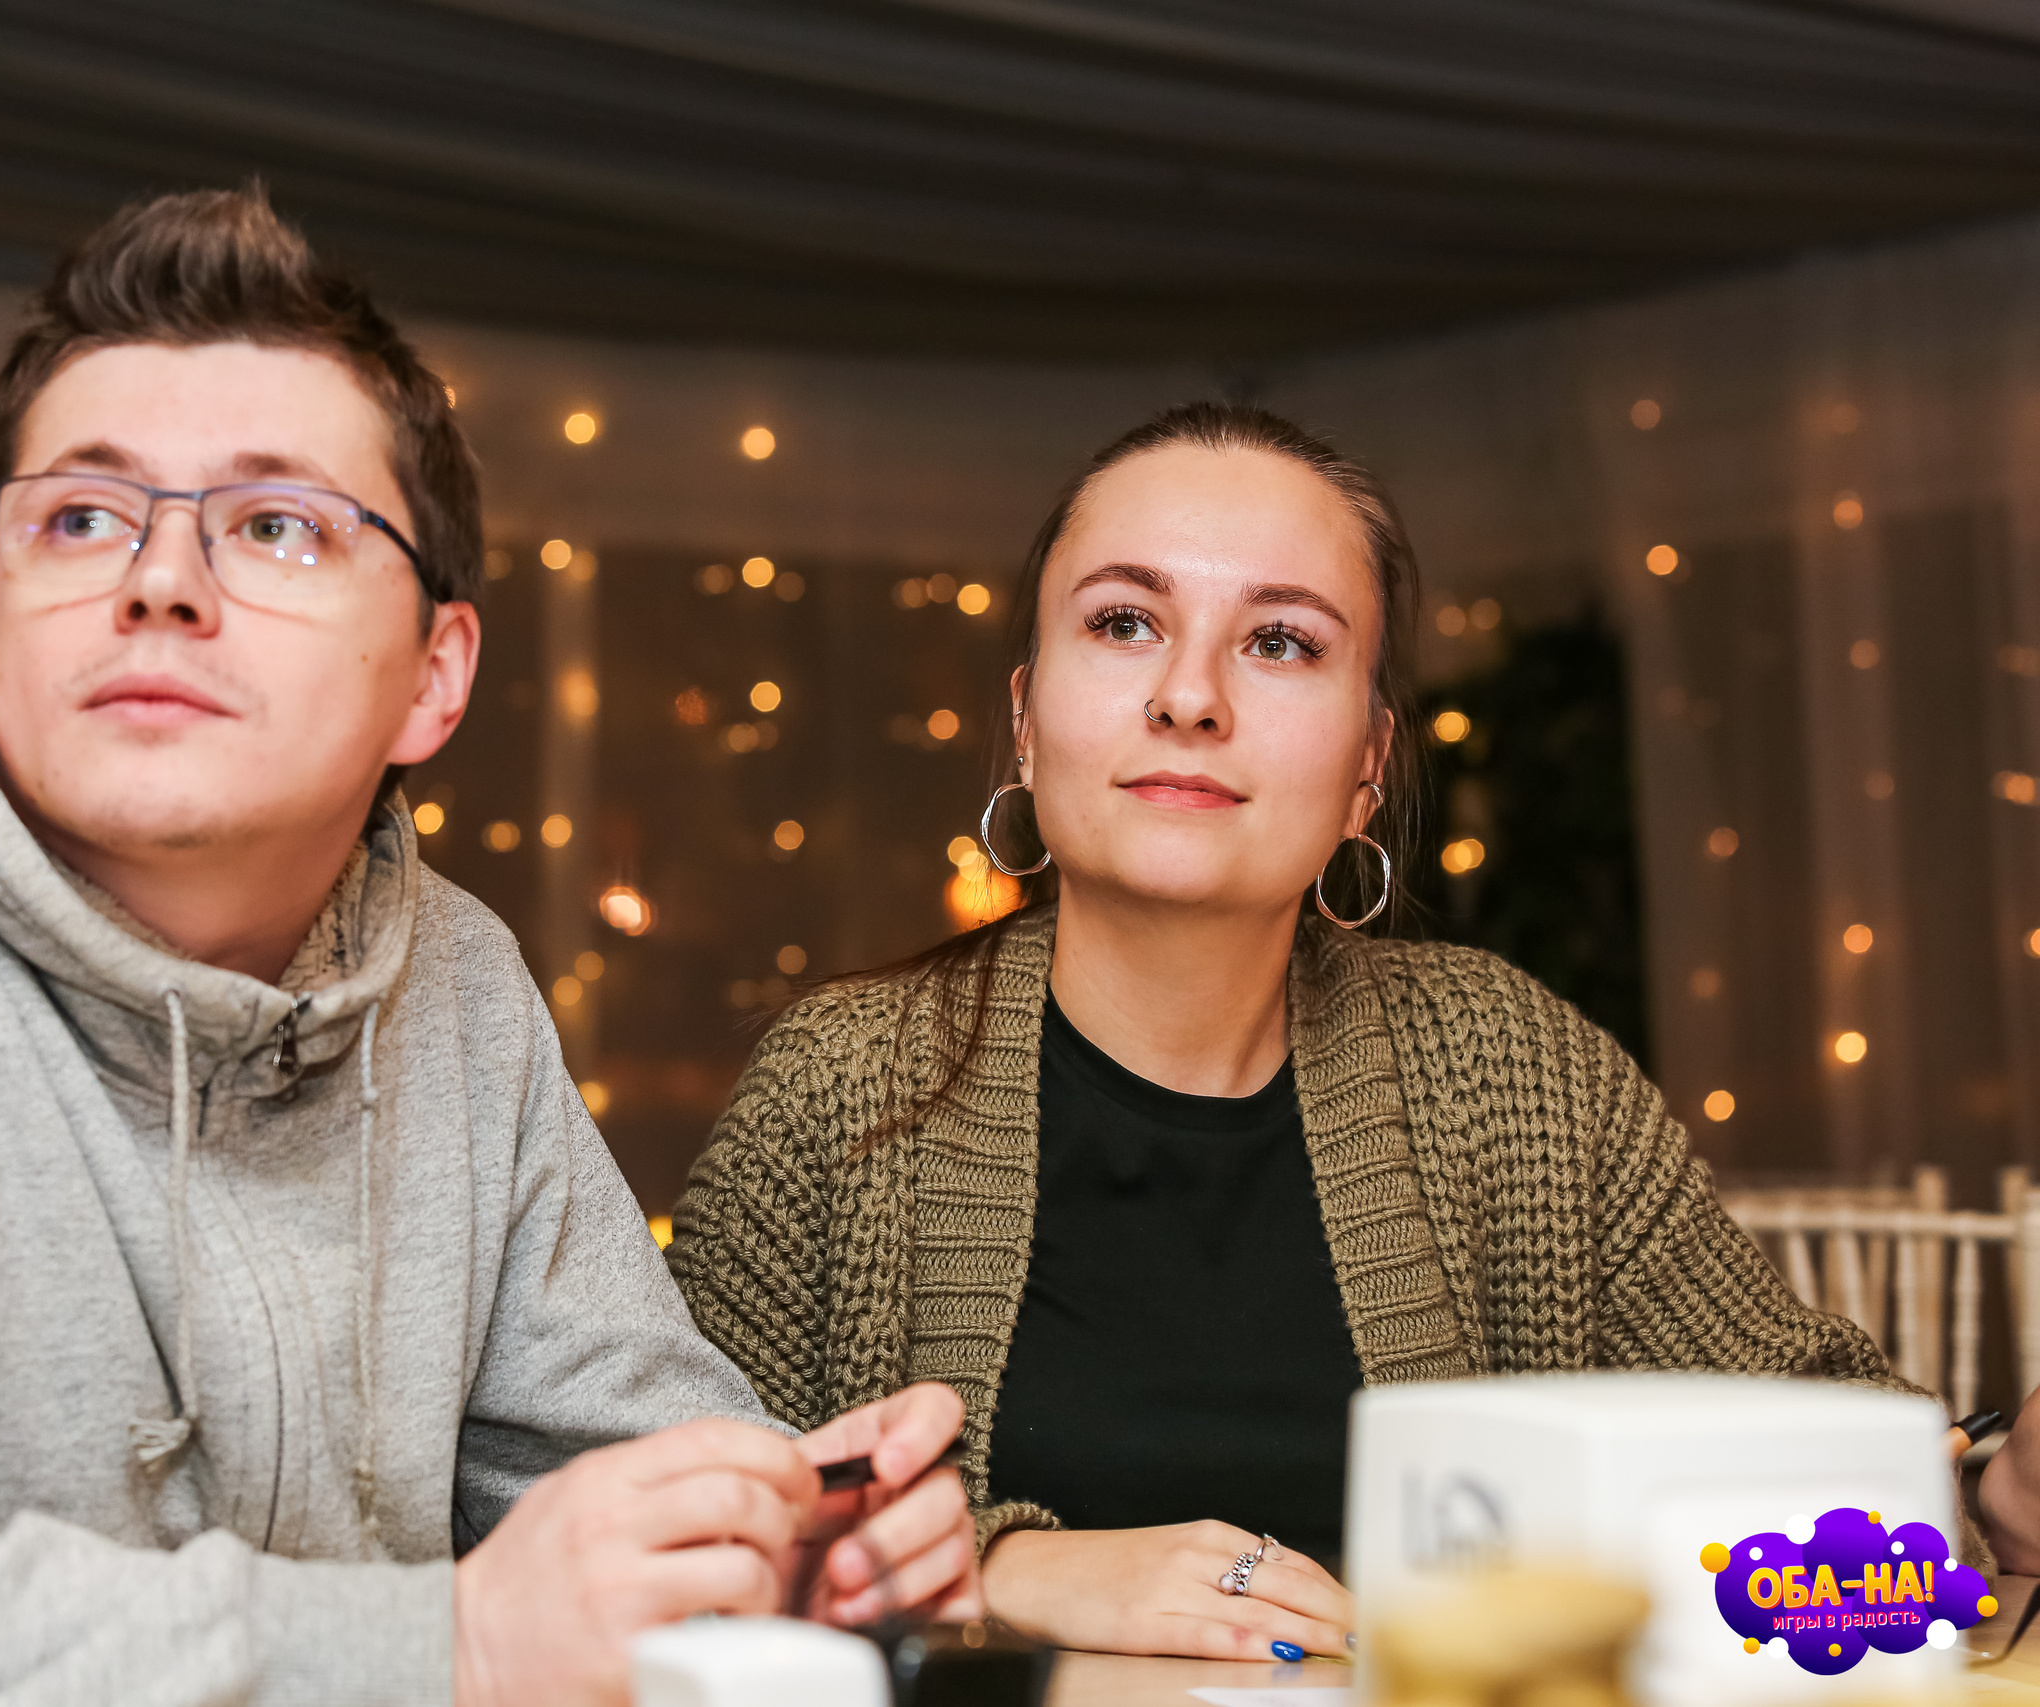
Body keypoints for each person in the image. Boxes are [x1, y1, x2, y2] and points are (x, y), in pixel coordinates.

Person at [0, 188, 974, 1707]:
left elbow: (611, 1499)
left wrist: (791, 1546)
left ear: (434, 681)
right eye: (80, 516)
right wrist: (443, 1645)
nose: (162, 580)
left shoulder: (450, 982)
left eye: (276, 526)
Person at [664, 401, 1992, 1663]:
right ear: (1024, 718)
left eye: (1281, 641)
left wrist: (1989, 1506)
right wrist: (993, 1577)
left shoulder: (1519, 1079)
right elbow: (662, 1554)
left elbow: (1847, 1526)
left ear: (1368, 765)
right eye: (1125, 622)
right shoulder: (842, 1087)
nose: (1190, 696)